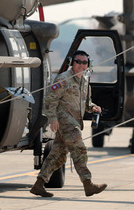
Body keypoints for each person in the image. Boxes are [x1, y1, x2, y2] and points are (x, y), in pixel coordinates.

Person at [30, 50, 107, 198]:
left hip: (73, 122)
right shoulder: (64, 79)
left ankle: (39, 185)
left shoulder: (84, 82)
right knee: (80, 150)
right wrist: (52, 118)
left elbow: (85, 103)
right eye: (78, 62)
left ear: (88, 64)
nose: (81, 65)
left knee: (57, 155)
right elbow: (50, 100)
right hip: (65, 122)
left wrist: (93, 107)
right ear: (72, 63)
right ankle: (88, 184)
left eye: (84, 62)